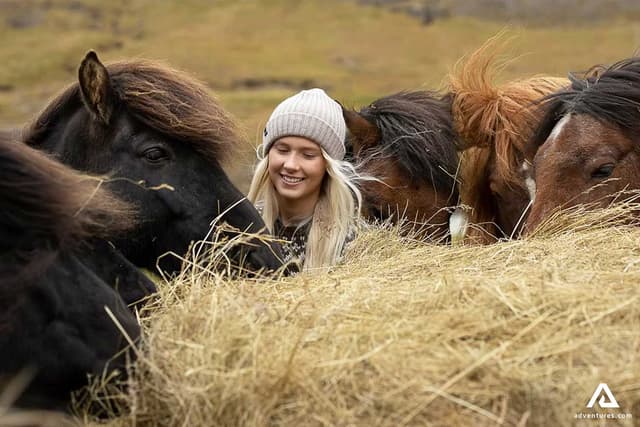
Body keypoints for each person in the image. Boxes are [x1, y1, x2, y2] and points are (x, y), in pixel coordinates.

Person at [248, 88, 362, 272]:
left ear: (328, 165)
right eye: (282, 150)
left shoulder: (354, 240)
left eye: (308, 155)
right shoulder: (243, 227)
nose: (291, 165)